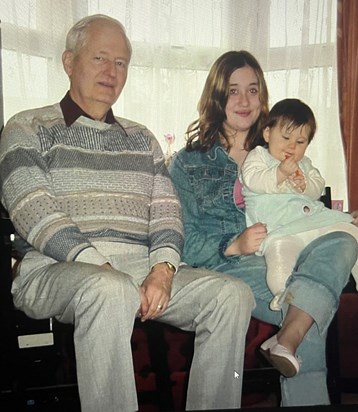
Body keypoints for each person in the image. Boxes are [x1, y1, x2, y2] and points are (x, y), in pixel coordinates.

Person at [0, 16, 255, 412]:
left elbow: (168, 213)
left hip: (139, 271)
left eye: (121, 63)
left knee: (231, 295)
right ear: (69, 61)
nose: (111, 71)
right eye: (100, 57)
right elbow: (34, 210)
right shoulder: (27, 127)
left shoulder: (141, 138)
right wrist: (101, 267)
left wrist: (163, 270)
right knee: (111, 289)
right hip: (55, 270)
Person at [168, 50, 358, 405]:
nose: (244, 100)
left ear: (263, 97)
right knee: (302, 304)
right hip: (236, 263)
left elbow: (305, 205)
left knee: (345, 240)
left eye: (253, 90)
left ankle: (287, 340)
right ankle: (305, 383)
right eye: (233, 90)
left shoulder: (280, 145)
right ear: (217, 97)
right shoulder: (187, 163)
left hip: (294, 246)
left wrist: (333, 218)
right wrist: (233, 244)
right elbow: (182, 239)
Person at [241, 98, 358, 311]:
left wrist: (305, 185)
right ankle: (282, 293)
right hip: (280, 230)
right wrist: (280, 173)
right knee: (279, 260)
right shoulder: (258, 157)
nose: (292, 146)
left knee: (350, 230)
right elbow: (253, 180)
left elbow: (318, 186)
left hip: (312, 222)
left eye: (301, 141)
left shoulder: (304, 164)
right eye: (285, 137)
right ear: (268, 134)